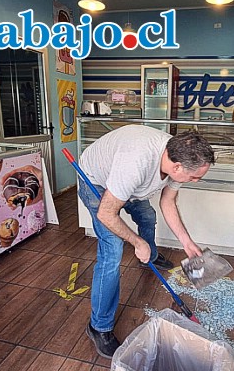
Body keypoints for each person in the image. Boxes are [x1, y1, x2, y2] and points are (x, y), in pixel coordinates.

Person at [77, 125, 214, 358]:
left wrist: (187, 242)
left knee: (147, 216)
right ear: (177, 167)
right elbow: (106, 214)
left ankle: (147, 257)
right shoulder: (136, 163)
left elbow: (168, 202)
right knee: (112, 250)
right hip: (97, 180)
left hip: (128, 185)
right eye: (195, 177)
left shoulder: (179, 154)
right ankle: (99, 326)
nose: (196, 181)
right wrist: (137, 242)